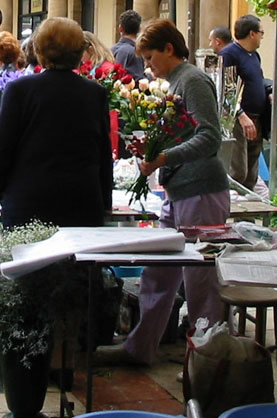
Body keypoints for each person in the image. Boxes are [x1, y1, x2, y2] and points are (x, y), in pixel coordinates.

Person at [95, 19, 229, 365]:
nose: (148, 65)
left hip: (200, 191)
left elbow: (210, 137)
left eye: (151, 56)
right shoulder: (174, 81)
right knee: (159, 272)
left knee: (200, 281)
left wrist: (165, 156)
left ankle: (206, 359)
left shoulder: (193, 80)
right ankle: (139, 348)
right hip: (179, 190)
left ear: (169, 49)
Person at [0, 17, 112, 229]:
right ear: (80, 53)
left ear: (39, 50)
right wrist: (105, 201)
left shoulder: (20, 90)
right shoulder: (94, 93)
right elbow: (103, 152)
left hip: (28, 202)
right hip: (82, 204)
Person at [219, 14, 266, 189]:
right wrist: (240, 115)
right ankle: (232, 210)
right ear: (252, 34)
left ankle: (247, 215)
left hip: (256, 117)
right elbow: (226, 88)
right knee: (239, 170)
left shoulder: (255, 56)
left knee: (252, 173)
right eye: (261, 32)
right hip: (239, 119)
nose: (262, 36)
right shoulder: (229, 54)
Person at [111, 9, 145, 79]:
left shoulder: (111, 51)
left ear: (120, 28)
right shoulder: (136, 52)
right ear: (139, 29)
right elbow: (139, 79)